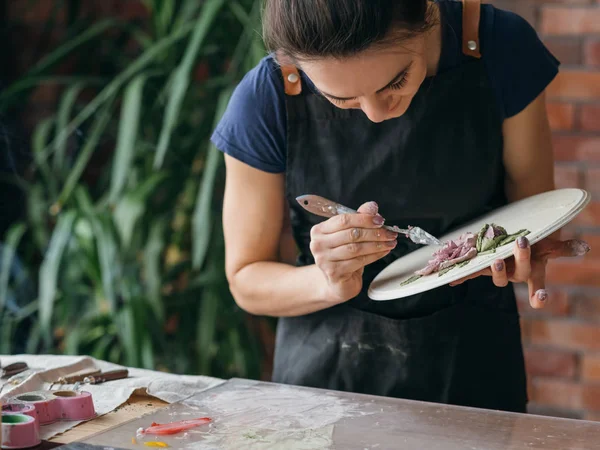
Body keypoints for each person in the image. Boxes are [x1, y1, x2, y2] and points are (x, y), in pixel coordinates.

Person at [211, 0, 588, 413]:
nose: (375, 115)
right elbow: (246, 278)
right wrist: (327, 282)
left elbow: (534, 212)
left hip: (473, 365)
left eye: (396, 81)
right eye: (343, 100)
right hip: (325, 383)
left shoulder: (499, 45)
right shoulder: (266, 96)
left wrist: (526, 254)